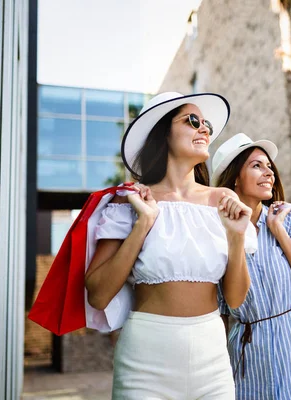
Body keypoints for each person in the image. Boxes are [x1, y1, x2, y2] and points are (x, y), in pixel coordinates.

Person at [85, 92, 252, 399]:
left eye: (207, 124)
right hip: (145, 360)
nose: (204, 129)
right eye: (192, 120)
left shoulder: (225, 203)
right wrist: (144, 223)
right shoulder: (129, 202)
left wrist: (237, 236)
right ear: (162, 133)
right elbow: (97, 295)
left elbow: (236, 298)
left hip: (212, 358)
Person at [212, 133, 291, 399]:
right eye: (257, 166)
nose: (269, 173)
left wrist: (279, 233)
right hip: (247, 357)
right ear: (234, 178)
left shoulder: (290, 219)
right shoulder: (217, 235)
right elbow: (220, 312)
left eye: (269, 167)